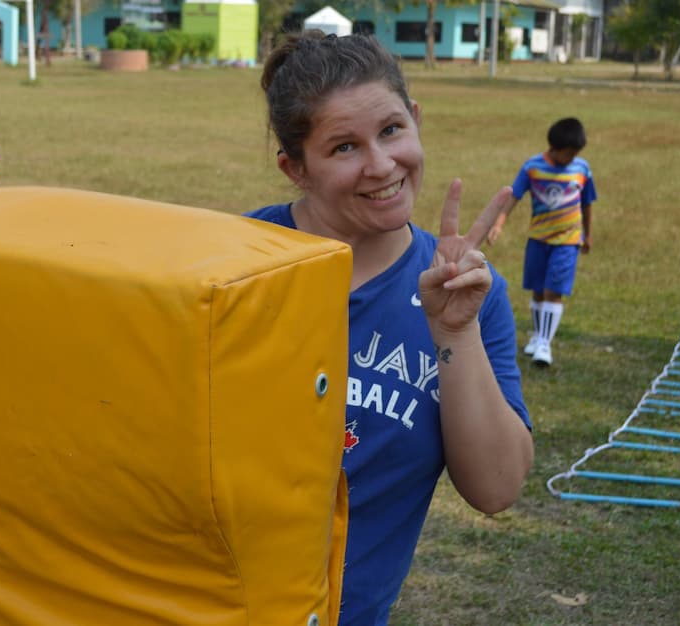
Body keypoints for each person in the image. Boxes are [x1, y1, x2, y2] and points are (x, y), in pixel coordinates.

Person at [246, 32, 533, 625]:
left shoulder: (471, 295)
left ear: (416, 119)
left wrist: (453, 333)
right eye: (344, 147)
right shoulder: (237, 264)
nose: (381, 165)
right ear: (295, 168)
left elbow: (497, 487)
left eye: (392, 130)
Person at [486, 117, 597, 367]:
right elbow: (513, 196)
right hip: (538, 239)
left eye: (575, 153)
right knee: (537, 290)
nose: (572, 157)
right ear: (554, 148)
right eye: (568, 153)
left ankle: (545, 343)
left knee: (553, 291)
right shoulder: (532, 167)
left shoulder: (581, 169)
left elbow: (587, 203)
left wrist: (587, 234)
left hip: (568, 241)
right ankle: (537, 336)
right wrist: (498, 224)